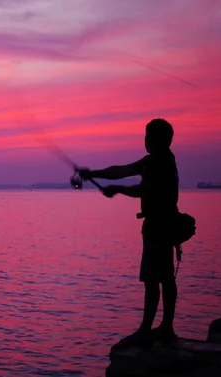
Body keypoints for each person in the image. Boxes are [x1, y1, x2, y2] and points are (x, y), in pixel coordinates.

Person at [79, 118, 179, 346]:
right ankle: (165, 327)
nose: (145, 140)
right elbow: (122, 171)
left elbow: (145, 188)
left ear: (152, 139)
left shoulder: (159, 162)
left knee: (155, 278)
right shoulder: (159, 159)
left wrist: (117, 189)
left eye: (147, 136)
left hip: (159, 225)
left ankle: (150, 329)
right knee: (164, 276)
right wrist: (93, 173)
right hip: (164, 224)